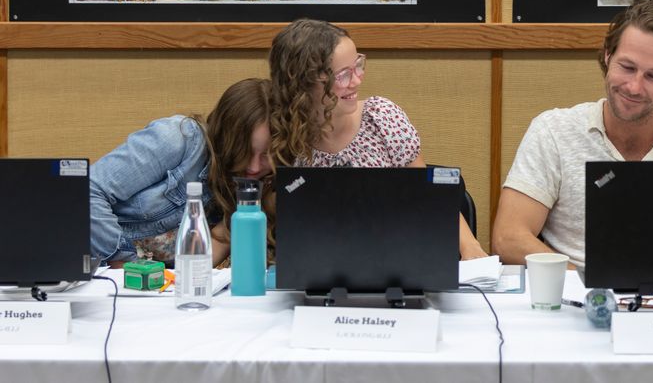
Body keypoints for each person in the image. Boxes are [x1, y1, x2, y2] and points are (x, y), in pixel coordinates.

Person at [492, 2, 653, 268]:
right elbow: (508, 238)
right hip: (580, 295)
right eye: (627, 67)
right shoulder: (553, 130)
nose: (634, 87)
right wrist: (588, 282)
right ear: (608, 57)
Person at [267, 18, 488, 260]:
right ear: (303, 83)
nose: (357, 80)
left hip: (394, 259)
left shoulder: (382, 117)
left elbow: (427, 196)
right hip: (318, 266)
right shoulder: (282, 137)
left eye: (358, 65)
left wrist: (470, 248)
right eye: (342, 75)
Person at [90, 78, 273, 267]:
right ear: (225, 137)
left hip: (159, 288)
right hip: (100, 271)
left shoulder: (259, 188)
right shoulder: (179, 138)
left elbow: (209, 253)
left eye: (267, 154)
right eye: (244, 151)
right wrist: (126, 265)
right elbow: (89, 190)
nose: (254, 167)